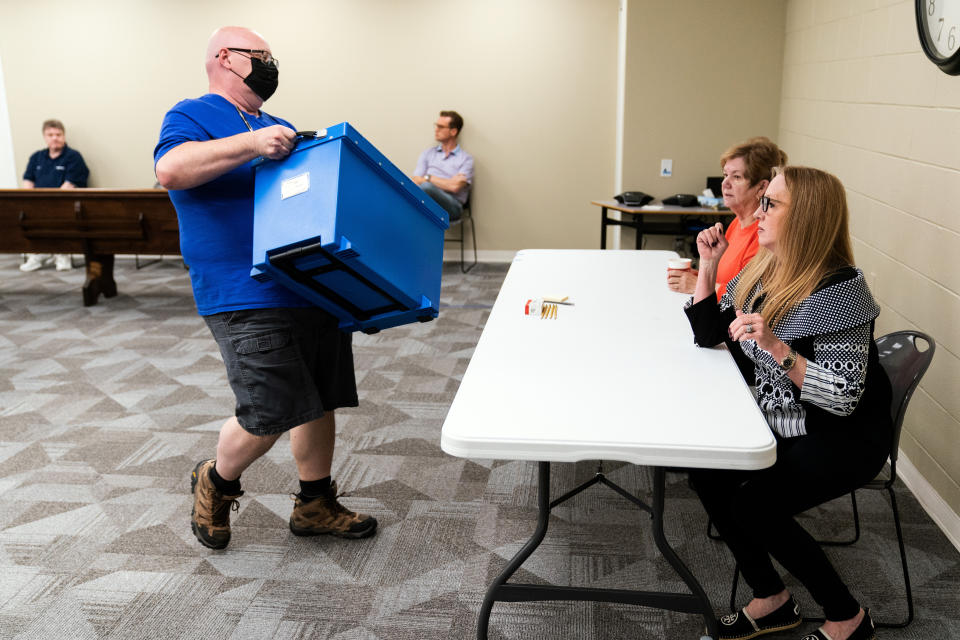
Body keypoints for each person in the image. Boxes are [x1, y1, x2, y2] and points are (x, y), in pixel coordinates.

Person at [154, 26, 376, 550]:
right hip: (242, 289)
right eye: (262, 57)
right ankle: (215, 479)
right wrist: (252, 144)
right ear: (226, 58)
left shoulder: (278, 124)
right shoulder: (190, 114)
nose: (271, 65)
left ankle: (315, 502)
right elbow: (170, 169)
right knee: (270, 409)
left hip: (308, 283)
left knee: (321, 399)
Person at [684, 166, 891, 640]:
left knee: (755, 505)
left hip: (846, 434)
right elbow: (708, 334)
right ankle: (773, 599)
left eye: (771, 204)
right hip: (790, 416)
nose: (758, 212)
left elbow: (841, 399)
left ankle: (848, 618)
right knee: (706, 471)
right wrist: (709, 266)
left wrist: (779, 350)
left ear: (807, 218)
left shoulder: (841, 291)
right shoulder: (767, 268)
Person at [667, 136, 786, 298]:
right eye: (725, 175)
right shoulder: (737, 223)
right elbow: (725, 280)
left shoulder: (763, 236)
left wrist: (696, 285)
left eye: (736, 177)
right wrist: (697, 277)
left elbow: (748, 297)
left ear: (761, 187)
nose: (725, 184)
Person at [20, 119, 89, 272]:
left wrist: (49, 205)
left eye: (58, 134)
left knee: (56, 214)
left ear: (63, 136)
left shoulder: (73, 157)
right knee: (27, 213)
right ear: (45, 137)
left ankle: (61, 253)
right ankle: (39, 253)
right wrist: (29, 201)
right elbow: (28, 181)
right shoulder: (36, 157)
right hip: (38, 204)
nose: (54, 138)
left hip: (64, 203)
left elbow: (69, 185)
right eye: (50, 134)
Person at [412, 110, 473, 222]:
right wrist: (448, 182)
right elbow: (415, 181)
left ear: (453, 131)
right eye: (436, 125)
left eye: (441, 127)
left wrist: (428, 178)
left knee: (426, 187)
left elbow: (454, 187)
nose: (436, 129)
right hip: (427, 202)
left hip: (452, 207)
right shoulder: (428, 154)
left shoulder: (466, 159)